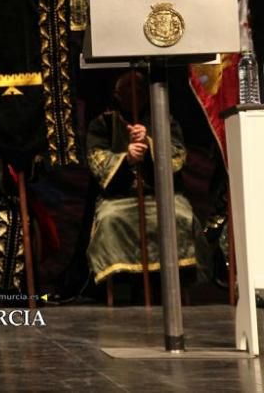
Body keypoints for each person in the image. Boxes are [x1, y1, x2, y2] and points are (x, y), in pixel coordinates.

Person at [86, 70, 203, 292]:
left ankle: (175, 285)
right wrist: (127, 157)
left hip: (162, 196)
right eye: (127, 89)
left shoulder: (164, 119)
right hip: (120, 198)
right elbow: (97, 160)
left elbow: (178, 155)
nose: (133, 95)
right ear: (117, 94)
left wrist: (151, 144)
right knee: (111, 219)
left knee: (181, 216)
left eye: (138, 90)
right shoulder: (102, 123)